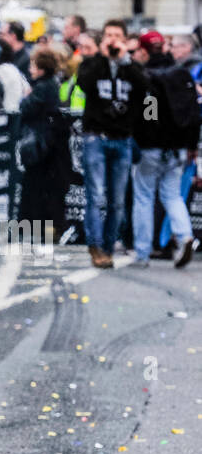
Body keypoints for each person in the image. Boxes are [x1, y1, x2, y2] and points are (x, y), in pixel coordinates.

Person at [76, 20, 146, 268]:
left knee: (117, 200)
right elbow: (84, 83)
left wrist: (125, 60)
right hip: (96, 137)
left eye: (117, 36)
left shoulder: (132, 68)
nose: (113, 40)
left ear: (125, 40)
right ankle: (95, 245)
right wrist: (102, 57)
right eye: (108, 35)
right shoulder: (92, 64)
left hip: (122, 139)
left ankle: (107, 247)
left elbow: (144, 88)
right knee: (96, 195)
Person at [130, 30, 199, 269]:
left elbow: (148, 115)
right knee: (172, 195)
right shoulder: (182, 75)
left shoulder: (147, 77)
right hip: (179, 147)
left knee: (144, 196)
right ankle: (184, 235)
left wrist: (142, 141)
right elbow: (193, 114)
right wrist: (191, 145)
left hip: (152, 147)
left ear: (143, 50)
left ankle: (142, 251)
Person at [18, 46, 69, 236]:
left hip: (40, 143)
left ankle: (32, 224)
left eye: (33, 64)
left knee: (35, 184)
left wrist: (26, 97)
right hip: (48, 142)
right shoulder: (50, 84)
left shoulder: (42, 87)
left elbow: (26, 108)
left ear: (41, 67)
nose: (30, 68)